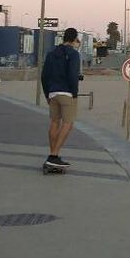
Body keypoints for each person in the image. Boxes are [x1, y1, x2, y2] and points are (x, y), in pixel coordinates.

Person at [40, 27, 82, 173]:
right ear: (74, 39)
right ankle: (54, 155)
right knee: (68, 124)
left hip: (52, 92)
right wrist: (74, 93)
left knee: (54, 122)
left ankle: (53, 156)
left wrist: (47, 94)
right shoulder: (74, 54)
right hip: (67, 93)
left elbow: (44, 76)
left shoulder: (52, 54)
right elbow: (72, 75)